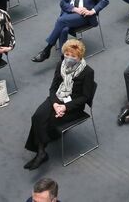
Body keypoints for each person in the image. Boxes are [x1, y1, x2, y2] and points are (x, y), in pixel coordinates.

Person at [25, 39, 95, 169]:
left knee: (48, 119)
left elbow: (85, 97)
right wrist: (55, 104)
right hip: (57, 98)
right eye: (67, 54)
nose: (69, 58)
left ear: (80, 57)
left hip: (74, 107)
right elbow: (53, 88)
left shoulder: (87, 72)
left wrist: (64, 107)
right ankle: (41, 151)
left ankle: (41, 152)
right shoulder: (60, 65)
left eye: (73, 56)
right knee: (37, 116)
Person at [33, 0, 108, 62]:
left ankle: (47, 50)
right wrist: (74, 9)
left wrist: (92, 11)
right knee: (63, 29)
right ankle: (63, 58)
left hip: (85, 14)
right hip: (71, 11)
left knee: (61, 21)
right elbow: (62, 3)